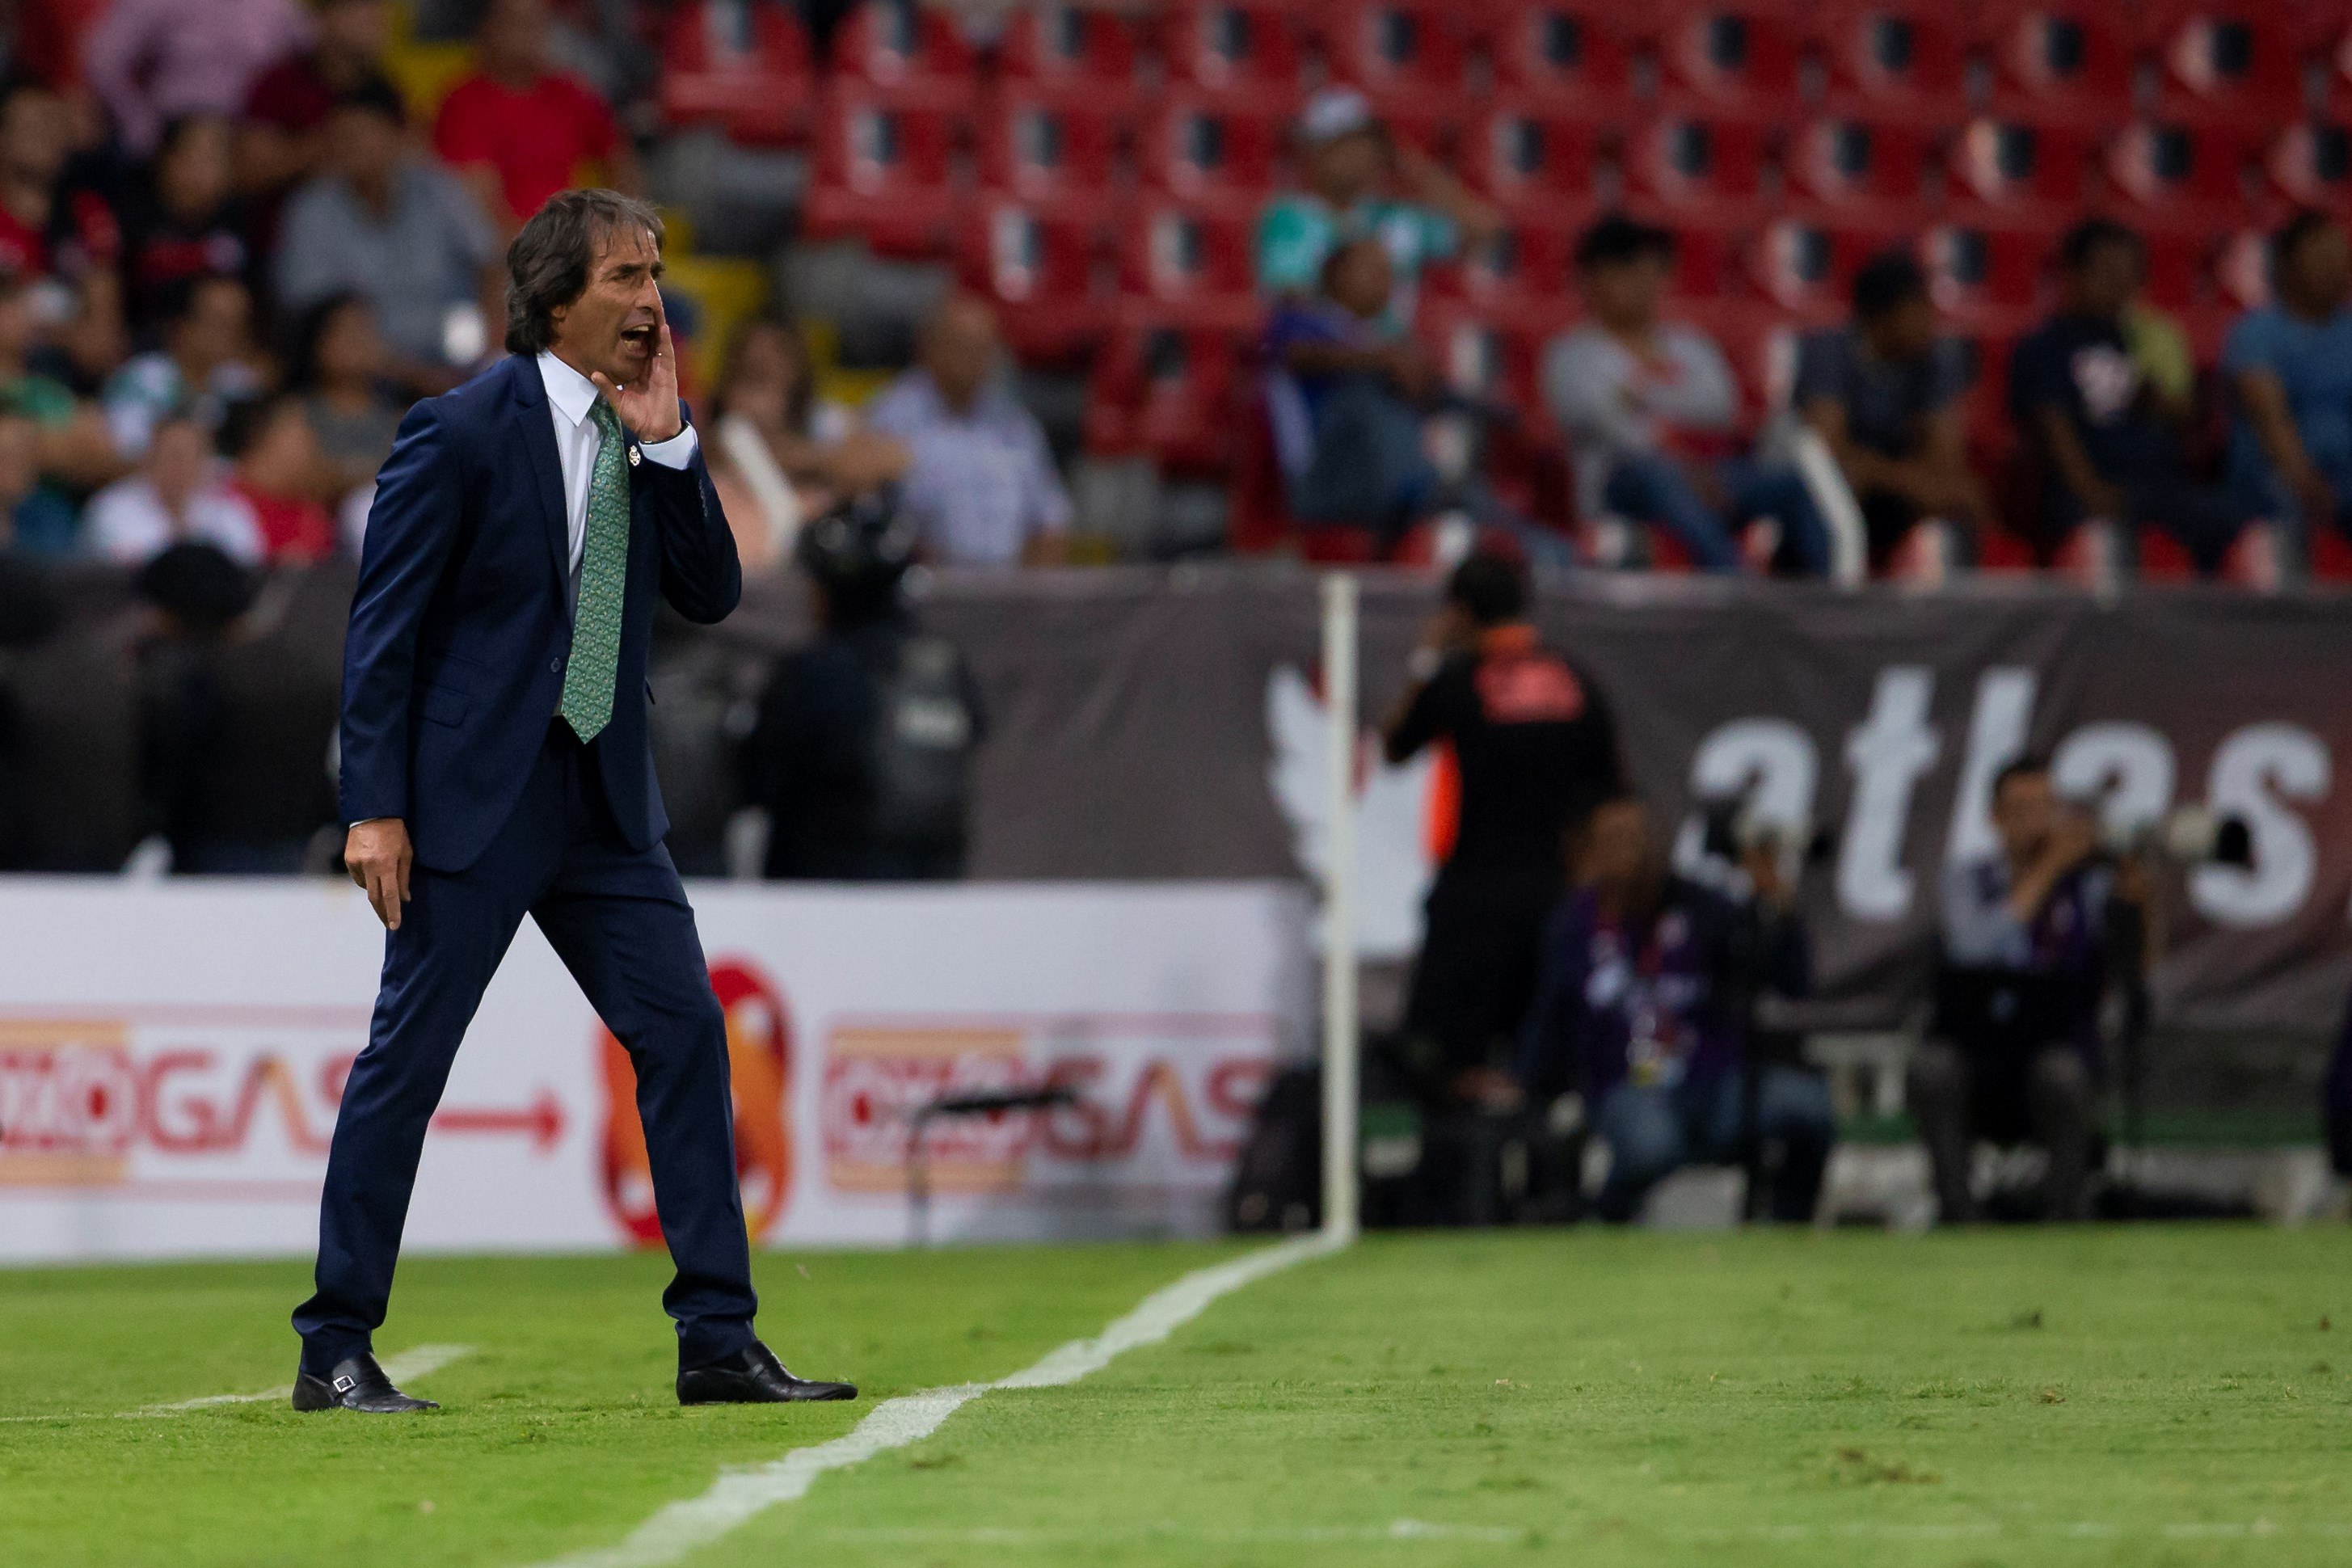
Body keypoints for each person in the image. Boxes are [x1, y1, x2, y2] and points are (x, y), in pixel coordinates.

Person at [301, 189, 853, 1411]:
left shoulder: (647, 431)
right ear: (556, 300)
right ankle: (333, 1343)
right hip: (472, 801)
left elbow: (711, 593)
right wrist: (374, 807)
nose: (654, 300)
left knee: (687, 1034)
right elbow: (382, 631)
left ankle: (717, 1339)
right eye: (626, 277)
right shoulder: (457, 431)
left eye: (656, 274)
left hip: (604, 796)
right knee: (409, 1061)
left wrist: (675, 445)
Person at [1517, 794, 1832, 1224]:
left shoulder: (1703, 909)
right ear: (1591, 851)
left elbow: (1790, 982)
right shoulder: (1574, 924)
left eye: (1641, 838)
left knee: (1808, 1108)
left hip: (1714, 1083)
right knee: (1652, 1142)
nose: (1632, 852)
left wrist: (1775, 906)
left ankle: (1787, 1231)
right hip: (1626, 1086)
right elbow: (1549, 1014)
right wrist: (1523, 1082)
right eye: (1617, 840)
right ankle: (1602, 1216)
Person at [1382, 550, 1625, 1103]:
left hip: (1474, 897)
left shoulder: (1458, 677)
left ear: (1460, 613)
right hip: (1556, 895)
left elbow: (1395, 744)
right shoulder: (1573, 680)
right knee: (1538, 1059)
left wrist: (1428, 657)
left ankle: (1463, 1152)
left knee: (1444, 1062)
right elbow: (1614, 794)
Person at [1912, 757, 2136, 1223]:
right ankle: (1958, 1218)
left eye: (2045, 808)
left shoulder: (2086, 887)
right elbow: (1972, 948)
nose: (2036, 822)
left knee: (2065, 1075)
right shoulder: (1967, 879)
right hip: (1974, 1062)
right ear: (1995, 817)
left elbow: (2131, 966)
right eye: (2022, 809)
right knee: (1932, 1069)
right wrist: (2048, 868)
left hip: (2051, 1058)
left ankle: (2067, 1217)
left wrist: (2139, 901)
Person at [1545, 215, 1823, 573]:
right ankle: (1734, 581)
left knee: (1790, 483)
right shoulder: (1572, 355)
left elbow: (1720, 405)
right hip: (1617, 490)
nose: (1644, 283)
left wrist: (1636, 398)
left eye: (1651, 271)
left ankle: (1814, 591)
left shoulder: (1690, 346)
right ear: (1592, 278)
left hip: (1708, 473)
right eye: (1628, 271)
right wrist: (1680, 454)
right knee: (1657, 474)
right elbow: (1605, 422)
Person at [741, 491, 985, 880]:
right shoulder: (947, 668)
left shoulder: (813, 674)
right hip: (935, 891)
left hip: (823, 891)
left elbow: (759, 782)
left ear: (827, 589)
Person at [2009, 219, 2253, 575]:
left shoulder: (2141, 340)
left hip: (2159, 488)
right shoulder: (2043, 348)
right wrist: (2092, 490)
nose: (2121, 285)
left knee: (2230, 517)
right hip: (2090, 490)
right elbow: (2052, 429)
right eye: (2108, 272)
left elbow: (2183, 422)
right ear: (2073, 274)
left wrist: (2162, 405)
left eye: (2129, 274)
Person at [276, 81, 501, 394]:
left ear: (397, 136)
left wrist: (486, 348)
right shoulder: (311, 210)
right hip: (366, 380)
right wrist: (419, 377)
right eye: (342, 136)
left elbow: (490, 265)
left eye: (362, 134)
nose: (350, 147)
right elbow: (315, 319)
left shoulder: (439, 189)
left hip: (456, 364)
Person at [1794, 251, 1985, 565]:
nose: (1931, 319)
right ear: (1882, 315)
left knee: (1964, 497)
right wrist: (1906, 478)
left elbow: (1946, 467)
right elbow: (1826, 462)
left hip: (1893, 491)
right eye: (1919, 308)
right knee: (1838, 492)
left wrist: (1885, 473)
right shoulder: (1829, 353)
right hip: (1833, 493)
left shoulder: (1934, 362)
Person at [1255, 86, 1497, 330]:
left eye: (1365, 142)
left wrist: (1411, 167)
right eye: (1344, 143)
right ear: (1315, 152)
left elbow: (1485, 230)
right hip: (1327, 352)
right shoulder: (1290, 218)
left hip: (1392, 351)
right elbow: (1291, 301)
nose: (1359, 153)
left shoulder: (1396, 217)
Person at [866, 293, 1071, 567]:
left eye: (984, 347)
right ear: (929, 347)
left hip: (1006, 584)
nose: (974, 357)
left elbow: (1051, 522)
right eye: (962, 345)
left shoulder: (1014, 422)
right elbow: (864, 495)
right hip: (924, 582)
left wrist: (1034, 588)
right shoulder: (895, 412)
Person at [1263, 237, 1444, 542]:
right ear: (1335, 273)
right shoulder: (1301, 318)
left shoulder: (1379, 337)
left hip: (1372, 477)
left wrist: (1415, 374)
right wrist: (1380, 361)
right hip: (1320, 478)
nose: (1385, 282)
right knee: (1366, 390)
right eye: (1373, 271)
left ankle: (1416, 493)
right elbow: (1297, 355)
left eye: (1390, 274)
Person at [704, 316, 907, 570]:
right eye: (754, 380)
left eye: (780, 381)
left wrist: (823, 462)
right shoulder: (704, 441)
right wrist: (824, 461)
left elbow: (894, 459)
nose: (765, 402)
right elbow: (730, 442)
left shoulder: (825, 422)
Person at [432, 0, 641, 239]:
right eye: (516, 22)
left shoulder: (570, 93)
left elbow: (620, 159)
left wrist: (622, 228)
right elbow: (480, 211)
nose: (528, 34)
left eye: (537, 23)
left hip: (567, 239)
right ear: (487, 29)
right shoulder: (463, 103)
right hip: (510, 250)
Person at [2222, 210, 2352, 552]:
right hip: (2276, 480)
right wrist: (2306, 482)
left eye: (2340, 257)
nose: (2335, 267)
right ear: (2287, 265)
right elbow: (2270, 420)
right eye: (2321, 256)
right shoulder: (2256, 334)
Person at [83, 0, 314, 157]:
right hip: (168, 138)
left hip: (244, 147)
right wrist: (139, 123)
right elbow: (104, 60)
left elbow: (316, 49)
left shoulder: (275, 7)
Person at [239, 0, 397, 200]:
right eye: (362, 11)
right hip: (286, 214)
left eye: (377, 14)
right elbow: (249, 174)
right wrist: (327, 146)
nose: (375, 22)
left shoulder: (384, 90)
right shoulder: (280, 83)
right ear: (325, 17)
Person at [100, 272, 265, 458]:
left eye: (237, 322)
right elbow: (122, 453)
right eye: (219, 321)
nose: (229, 334)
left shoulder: (244, 387)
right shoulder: (141, 379)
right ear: (182, 325)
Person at [116, 114, 252, 333]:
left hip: (205, 340)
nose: (214, 168)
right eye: (204, 155)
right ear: (169, 159)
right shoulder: (131, 208)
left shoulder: (236, 216)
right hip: (136, 334)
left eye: (222, 156)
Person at [86, 410, 263, 564]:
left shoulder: (231, 512)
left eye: (191, 456)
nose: (181, 466)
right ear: (150, 457)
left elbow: (250, 569)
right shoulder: (111, 509)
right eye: (173, 455)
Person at [289, 291, 404, 502]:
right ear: (318, 344)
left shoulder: (401, 419)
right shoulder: (297, 417)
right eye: (347, 333)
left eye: (366, 331)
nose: (358, 343)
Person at [218, 394, 335, 563]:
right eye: (301, 436)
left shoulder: (311, 514)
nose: (312, 448)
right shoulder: (221, 503)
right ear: (265, 437)